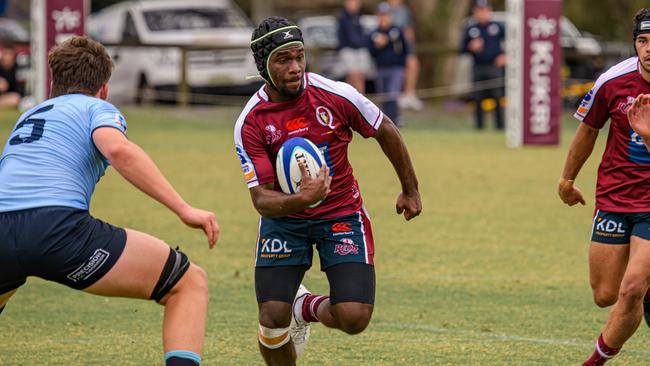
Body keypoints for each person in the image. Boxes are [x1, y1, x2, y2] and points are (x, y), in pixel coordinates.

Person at [0, 36, 219, 366]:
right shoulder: (96, 108)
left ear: (54, 83)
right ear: (104, 87)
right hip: (57, 229)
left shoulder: (28, 117)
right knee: (188, 282)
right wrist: (184, 209)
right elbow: (118, 150)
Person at [235, 16, 421, 365]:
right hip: (285, 221)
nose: (295, 68)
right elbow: (260, 199)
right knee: (273, 318)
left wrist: (409, 189)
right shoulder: (252, 121)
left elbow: (385, 129)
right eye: (283, 60)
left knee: (353, 317)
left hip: (341, 213)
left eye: (299, 56)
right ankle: (289, 310)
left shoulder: (335, 94)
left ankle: (303, 307)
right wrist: (301, 199)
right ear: (263, 65)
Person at [557, 8, 650, 365]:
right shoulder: (612, 81)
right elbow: (589, 129)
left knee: (631, 289)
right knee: (605, 293)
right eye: (642, 40)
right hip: (613, 197)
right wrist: (567, 180)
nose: (647, 48)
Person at [460, 0, 505, 130]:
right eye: (479, 10)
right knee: (478, 98)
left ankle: (500, 127)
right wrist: (471, 47)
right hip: (478, 67)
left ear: (489, 11)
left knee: (497, 97)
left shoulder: (498, 27)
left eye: (485, 10)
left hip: (494, 67)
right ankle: (479, 127)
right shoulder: (471, 28)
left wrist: (505, 56)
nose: (482, 13)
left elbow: (512, 43)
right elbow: (462, 49)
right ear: (475, 12)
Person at [368, 2, 410, 127]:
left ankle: (394, 121)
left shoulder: (397, 31)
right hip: (381, 69)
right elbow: (371, 52)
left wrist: (402, 66)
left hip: (395, 68)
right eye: (381, 15)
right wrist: (378, 46)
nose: (384, 18)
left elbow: (405, 50)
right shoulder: (374, 33)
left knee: (393, 94)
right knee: (383, 96)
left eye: (386, 15)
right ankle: (384, 123)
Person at [387, 0, 423, 111]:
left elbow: (408, 31)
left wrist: (410, 48)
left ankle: (408, 95)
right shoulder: (385, 9)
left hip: (402, 48)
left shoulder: (404, 11)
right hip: (389, 49)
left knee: (413, 63)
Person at [337, 0, 372, 93]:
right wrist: (364, 41)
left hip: (358, 50)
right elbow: (353, 39)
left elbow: (363, 35)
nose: (356, 4)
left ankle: (359, 101)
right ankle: (357, 101)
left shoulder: (358, 17)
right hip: (348, 50)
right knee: (354, 76)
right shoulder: (343, 17)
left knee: (359, 76)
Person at [0, 42, 21, 108]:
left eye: (9, 54)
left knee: (15, 99)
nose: (7, 57)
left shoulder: (18, 68)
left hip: (13, 97)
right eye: (5, 54)